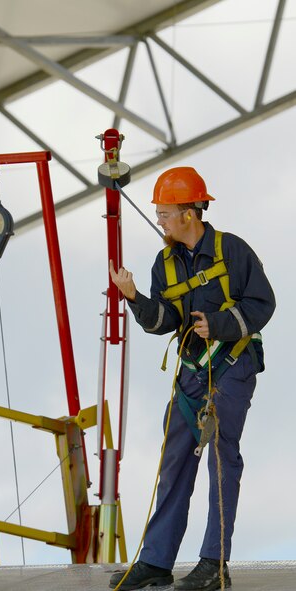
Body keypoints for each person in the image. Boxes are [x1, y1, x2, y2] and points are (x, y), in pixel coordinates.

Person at [108, 167, 275, 591]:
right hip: (192, 374)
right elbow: (164, 321)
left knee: (222, 456)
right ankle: (157, 562)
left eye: (165, 213)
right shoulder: (164, 264)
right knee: (175, 459)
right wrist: (133, 298)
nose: (160, 220)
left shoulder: (232, 252)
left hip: (233, 367)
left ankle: (214, 563)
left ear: (188, 212)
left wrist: (218, 324)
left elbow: (263, 303)